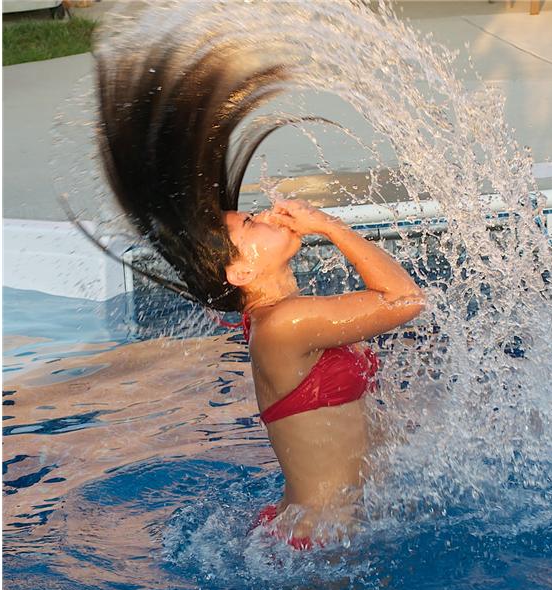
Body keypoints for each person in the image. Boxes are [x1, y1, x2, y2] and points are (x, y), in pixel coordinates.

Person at [90, 39, 426, 549]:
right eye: (250, 221)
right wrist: (329, 226)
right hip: (319, 545)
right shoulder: (284, 324)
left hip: (352, 527)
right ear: (242, 270)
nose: (266, 214)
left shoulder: (284, 315)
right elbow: (406, 301)